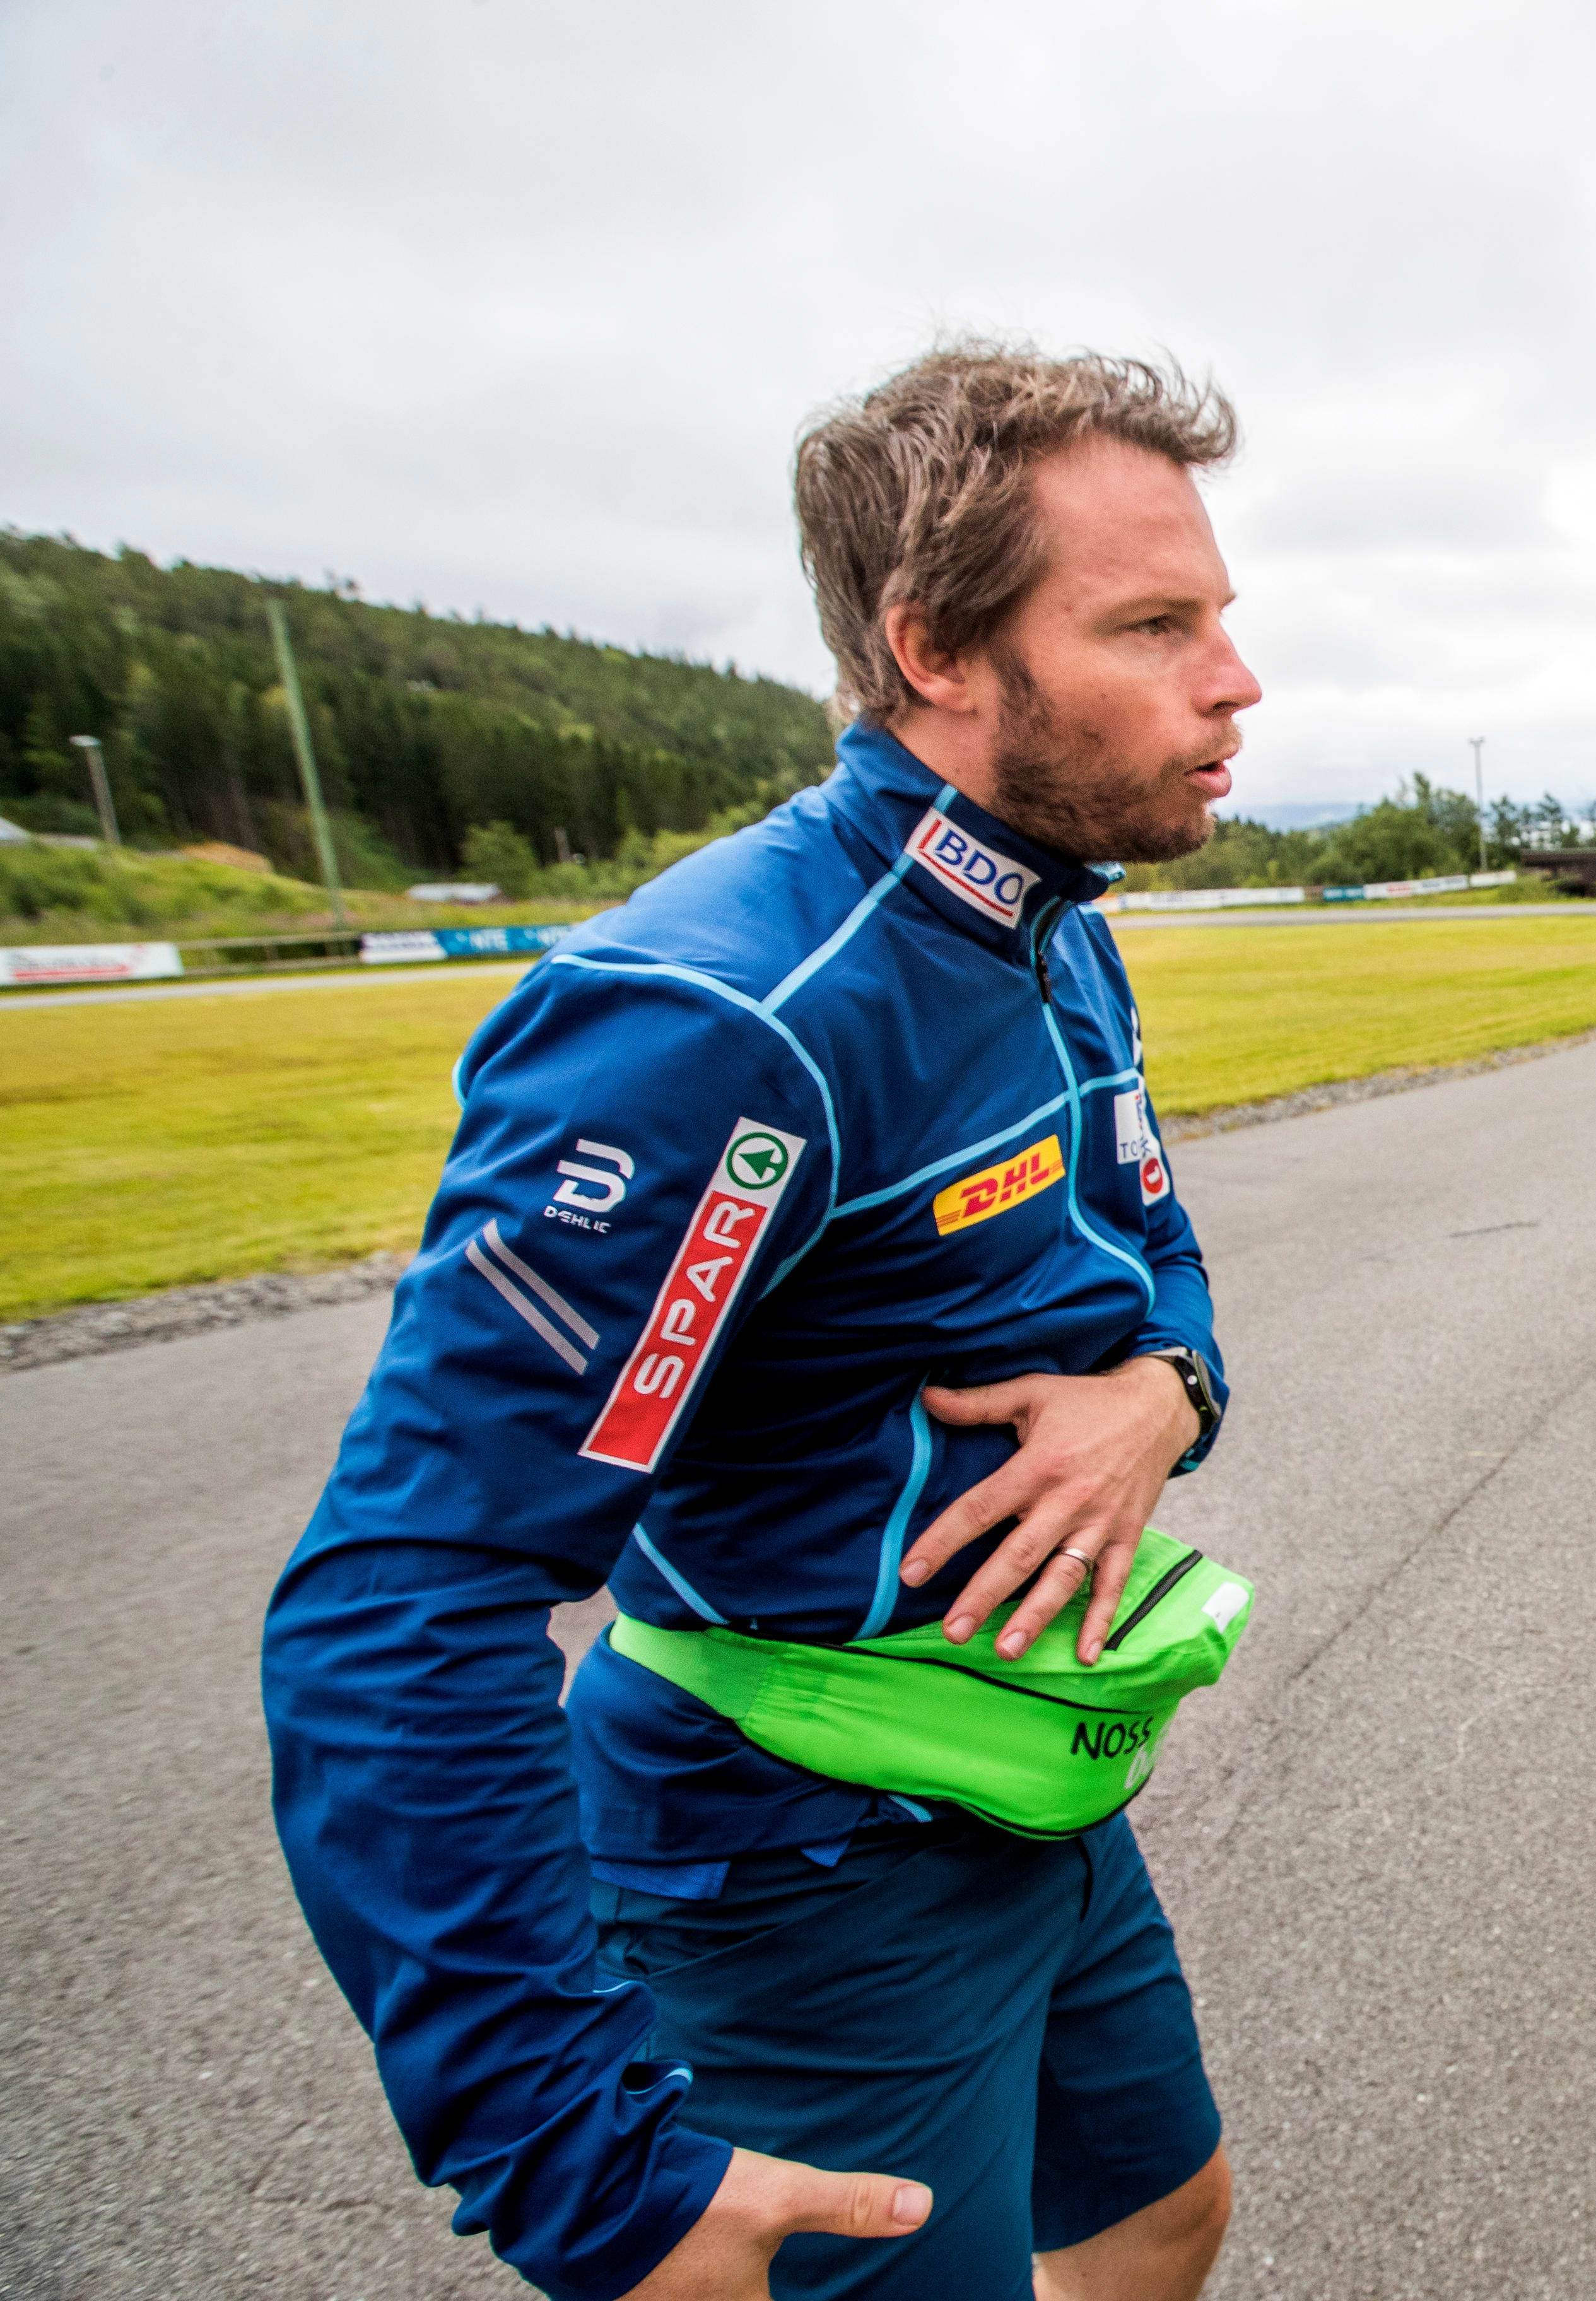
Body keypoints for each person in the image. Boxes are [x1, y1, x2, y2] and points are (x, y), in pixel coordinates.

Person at [263, 344, 1260, 2301]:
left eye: (1219, 616)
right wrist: (585, 2170)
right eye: (1154, 627)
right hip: (796, 1863)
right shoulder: (723, 1023)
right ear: (935, 649)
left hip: (1033, 1774)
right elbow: (402, 1599)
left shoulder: (1049, 922)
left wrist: (1163, 1389)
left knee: (1163, 2216)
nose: (1235, 680)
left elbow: (1157, 1252)